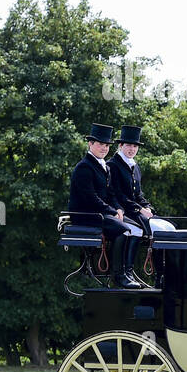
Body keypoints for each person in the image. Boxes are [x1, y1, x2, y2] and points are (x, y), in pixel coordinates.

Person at [67, 123, 146, 289]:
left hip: (102, 212)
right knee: (124, 229)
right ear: (90, 144)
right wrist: (111, 211)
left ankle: (127, 272)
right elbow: (90, 198)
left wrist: (118, 209)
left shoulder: (104, 166)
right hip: (86, 214)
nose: (104, 148)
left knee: (136, 229)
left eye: (106, 145)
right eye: (100, 144)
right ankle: (118, 276)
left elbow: (111, 194)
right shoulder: (84, 167)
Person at [110, 125, 176, 236]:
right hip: (125, 211)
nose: (132, 149)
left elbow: (138, 194)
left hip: (137, 211)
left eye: (135, 146)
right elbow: (119, 195)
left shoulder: (135, 166)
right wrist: (140, 209)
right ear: (121, 146)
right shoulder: (112, 165)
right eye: (129, 145)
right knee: (161, 230)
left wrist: (148, 207)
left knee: (170, 227)